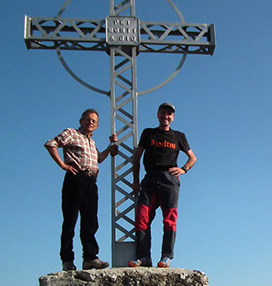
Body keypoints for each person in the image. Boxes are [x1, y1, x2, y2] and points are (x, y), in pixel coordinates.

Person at [44, 108, 117, 271]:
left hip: (92, 181)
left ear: (97, 126)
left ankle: (90, 257)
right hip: (76, 179)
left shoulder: (91, 142)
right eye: (87, 119)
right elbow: (51, 144)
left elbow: (98, 158)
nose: (90, 122)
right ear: (81, 121)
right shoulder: (71, 133)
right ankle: (67, 260)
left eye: (94, 121)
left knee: (90, 221)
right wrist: (62, 165)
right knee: (70, 221)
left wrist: (111, 146)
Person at [128, 102, 197, 268]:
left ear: (173, 118)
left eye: (169, 114)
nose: (166, 116)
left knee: (170, 219)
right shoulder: (148, 133)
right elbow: (136, 158)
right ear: (158, 115)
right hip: (150, 178)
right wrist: (136, 181)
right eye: (163, 113)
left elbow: (193, 158)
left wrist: (184, 169)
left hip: (170, 180)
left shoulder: (179, 136)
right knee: (142, 217)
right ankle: (144, 257)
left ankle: (166, 256)